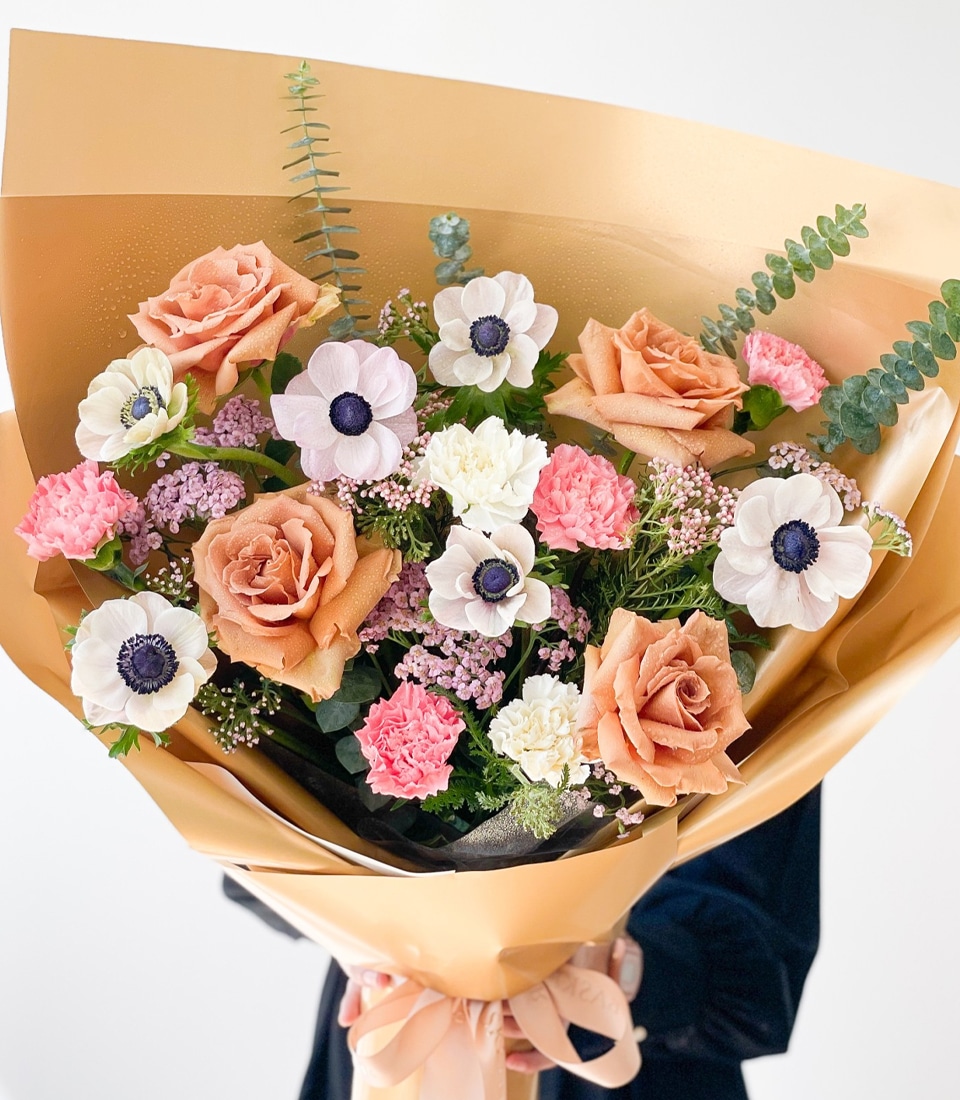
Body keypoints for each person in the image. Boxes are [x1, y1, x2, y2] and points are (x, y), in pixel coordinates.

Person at [279, 784, 821, 1100]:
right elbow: (252, 842)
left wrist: (620, 972)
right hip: (394, 1020)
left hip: (625, 1066)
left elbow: (763, 985)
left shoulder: (745, 620)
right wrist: (357, 926)